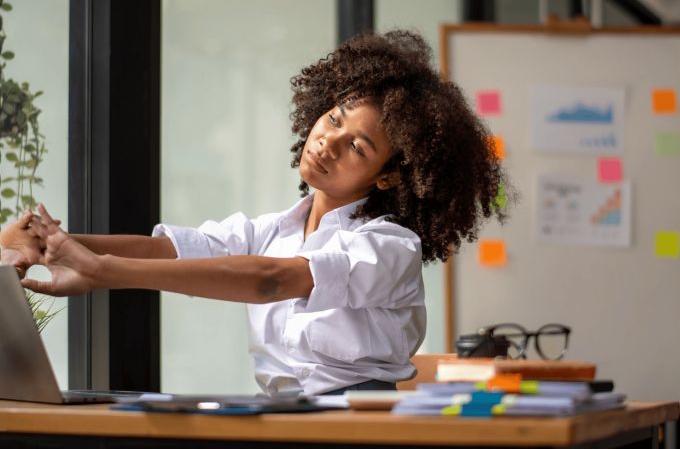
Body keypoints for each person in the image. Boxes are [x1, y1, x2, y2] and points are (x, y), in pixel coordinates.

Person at [0, 30, 509, 396]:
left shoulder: (389, 247)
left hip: (358, 424)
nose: (327, 141)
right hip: (284, 419)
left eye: (356, 144)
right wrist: (44, 244)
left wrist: (107, 273)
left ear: (389, 176)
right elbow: (169, 249)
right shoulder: (276, 228)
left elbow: (270, 280)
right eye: (332, 118)